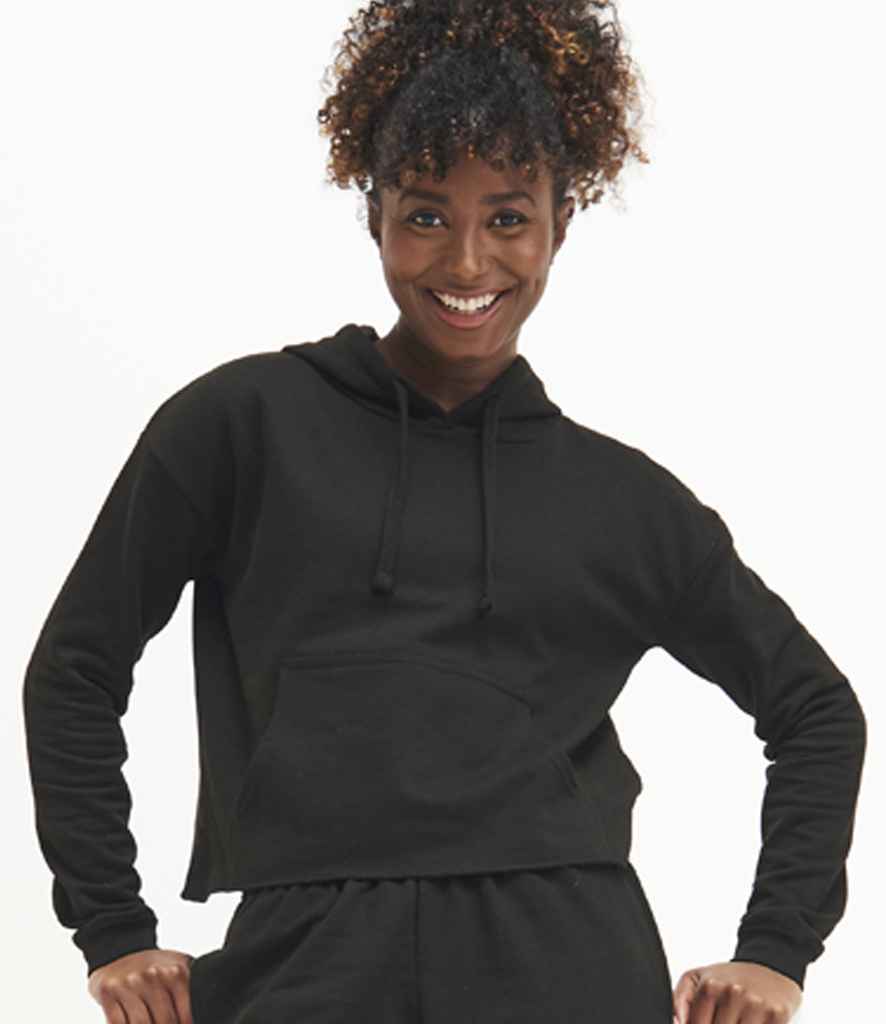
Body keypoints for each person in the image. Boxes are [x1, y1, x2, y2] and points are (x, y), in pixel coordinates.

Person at [22, 2, 866, 1022]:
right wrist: (112, 926)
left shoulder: (621, 500)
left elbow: (816, 710)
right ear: (374, 214)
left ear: (560, 223)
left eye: (507, 218)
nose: (467, 265)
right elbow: (77, 667)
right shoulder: (244, 427)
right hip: (307, 961)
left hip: (570, 970)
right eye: (426, 216)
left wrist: (775, 949)